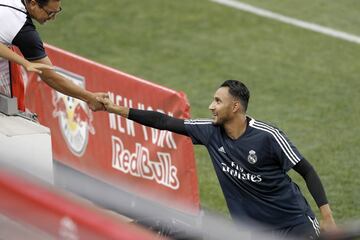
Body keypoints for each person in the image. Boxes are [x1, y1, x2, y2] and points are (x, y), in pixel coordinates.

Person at [96, 80, 337, 239]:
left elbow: (307, 171)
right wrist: (115, 109)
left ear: (235, 107)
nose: (211, 106)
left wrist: (327, 218)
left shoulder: (267, 136)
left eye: (218, 101)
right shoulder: (209, 131)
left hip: (294, 225)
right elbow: (164, 122)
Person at [0, 0, 106, 111]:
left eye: (57, 12)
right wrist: (90, 97)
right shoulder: (23, 30)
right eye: (50, 13)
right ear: (33, 4)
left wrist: (24, 62)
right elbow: (50, 76)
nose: (53, 18)